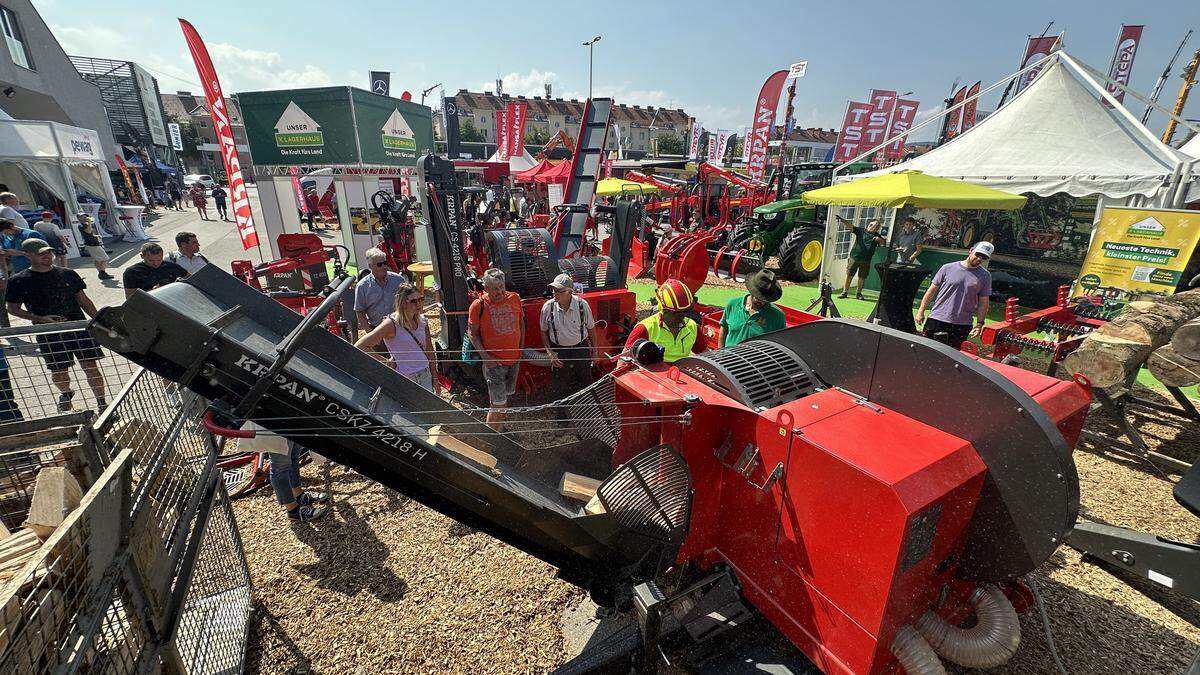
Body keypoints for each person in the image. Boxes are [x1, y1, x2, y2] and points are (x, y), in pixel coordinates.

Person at [6, 239, 108, 411]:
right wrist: (41, 318)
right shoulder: (19, 280)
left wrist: (100, 320)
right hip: (49, 332)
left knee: (91, 367)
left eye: (49, 252)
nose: (47, 256)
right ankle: (66, 393)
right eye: (41, 253)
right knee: (59, 372)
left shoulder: (67, 273)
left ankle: (102, 404)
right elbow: (13, 309)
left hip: (78, 327)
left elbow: (83, 300)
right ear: (28, 255)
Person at [468, 268, 524, 431]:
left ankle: (498, 428)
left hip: (514, 360)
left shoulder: (515, 298)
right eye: (495, 288)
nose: (499, 291)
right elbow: (473, 334)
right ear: (486, 287)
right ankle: (490, 439)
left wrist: (520, 351)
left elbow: (521, 324)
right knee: (500, 404)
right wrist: (486, 358)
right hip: (494, 363)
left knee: (500, 400)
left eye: (501, 287)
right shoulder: (478, 305)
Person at [355, 282, 439, 392]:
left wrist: (435, 378)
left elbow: (429, 350)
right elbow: (360, 345)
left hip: (425, 374)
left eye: (421, 299)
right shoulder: (391, 324)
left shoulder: (423, 321)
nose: (418, 304)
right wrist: (385, 362)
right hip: (405, 379)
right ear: (403, 303)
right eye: (413, 301)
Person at [241, 422, 329, 522]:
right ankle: (292, 509)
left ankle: (298, 494)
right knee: (280, 466)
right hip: (275, 424)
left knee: (293, 457)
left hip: (289, 418)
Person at [916, 241, 995, 348]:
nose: (980, 258)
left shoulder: (985, 276)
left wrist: (980, 323)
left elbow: (984, 302)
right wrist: (921, 311)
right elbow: (931, 291)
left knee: (952, 358)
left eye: (984, 257)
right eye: (978, 254)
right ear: (971, 251)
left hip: (962, 325)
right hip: (937, 319)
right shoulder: (947, 268)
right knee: (926, 352)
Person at [540, 273, 598, 394]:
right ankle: (561, 412)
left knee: (586, 384)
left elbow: (591, 329)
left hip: (581, 348)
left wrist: (595, 351)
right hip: (559, 350)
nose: (555, 293)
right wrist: (550, 353)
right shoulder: (547, 307)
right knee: (560, 387)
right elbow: (543, 331)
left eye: (559, 291)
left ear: (570, 292)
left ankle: (585, 410)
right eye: (554, 290)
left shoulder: (582, 305)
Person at [624, 279, 707, 363]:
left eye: (686, 312)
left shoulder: (693, 327)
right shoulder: (645, 328)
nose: (683, 317)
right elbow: (624, 358)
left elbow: (704, 353)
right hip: (655, 374)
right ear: (665, 311)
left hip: (683, 372)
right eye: (679, 313)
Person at [719, 269, 787, 349]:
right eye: (758, 296)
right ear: (752, 290)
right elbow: (723, 330)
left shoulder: (777, 316)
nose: (760, 301)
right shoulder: (733, 304)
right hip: (728, 359)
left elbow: (780, 344)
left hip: (756, 361)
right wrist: (720, 353)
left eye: (765, 299)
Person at [353, 248, 406, 335]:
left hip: (401, 327)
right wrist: (370, 333)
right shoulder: (362, 286)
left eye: (385, 263)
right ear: (370, 266)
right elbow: (359, 311)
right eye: (379, 264)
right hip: (377, 330)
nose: (384, 266)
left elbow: (408, 301)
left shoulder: (398, 280)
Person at [837, 216, 885, 300]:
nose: (876, 228)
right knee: (849, 275)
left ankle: (858, 293)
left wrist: (880, 240)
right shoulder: (861, 231)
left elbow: (883, 244)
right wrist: (843, 221)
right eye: (875, 225)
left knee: (862, 277)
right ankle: (844, 292)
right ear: (870, 224)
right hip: (854, 258)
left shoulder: (878, 236)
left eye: (878, 227)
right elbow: (850, 227)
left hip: (866, 260)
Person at [123, 243, 188, 298]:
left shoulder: (170, 266)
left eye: (159, 260)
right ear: (142, 256)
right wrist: (152, 292)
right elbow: (130, 297)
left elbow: (189, 277)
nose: (156, 263)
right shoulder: (132, 272)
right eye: (151, 260)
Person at [78, 215, 113, 280]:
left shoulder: (85, 224)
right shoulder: (81, 225)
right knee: (105, 258)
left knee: (97, 259)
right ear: (79, 218)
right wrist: (89, 223)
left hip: (92, 243)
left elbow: (89, 233)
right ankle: (102, 273)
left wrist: (96, 236)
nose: (85, 218)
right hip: (92, 244)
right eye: (83, 217)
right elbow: (88, 231)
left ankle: (101, 273)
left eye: (85, 216)